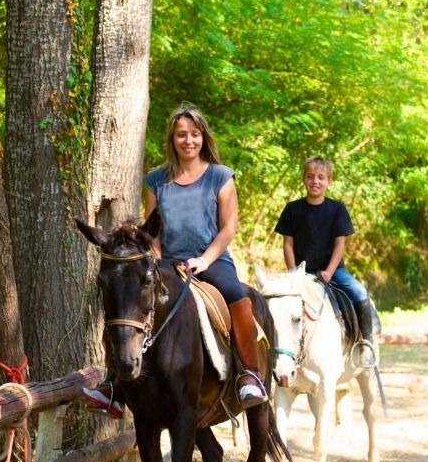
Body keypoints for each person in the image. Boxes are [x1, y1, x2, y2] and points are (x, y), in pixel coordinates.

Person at [82, 104, 269, 416]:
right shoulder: (156, 180)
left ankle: (249, 374)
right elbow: (152, 230)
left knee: (236, 295)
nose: (188, 140)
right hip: (167, 261)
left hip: (212, 260)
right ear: (173, 139)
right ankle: (112, 383)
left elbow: (228, 228)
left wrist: (205, 260)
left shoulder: (220, 177)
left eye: (194, 134)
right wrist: (155, 260)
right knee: (125, 302)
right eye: (182, 134)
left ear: (203, 137)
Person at [275, 155, 380, 367]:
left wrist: (330, 271)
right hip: (301, 272)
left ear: (329, 182)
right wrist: (294, 273)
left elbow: (339, 245)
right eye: (310, 177)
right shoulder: (293, 209)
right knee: (279, 302)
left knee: (359, 293)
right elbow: (288, 244)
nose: (315, 181)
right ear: (303, 180)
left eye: (321, 177)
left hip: (332, 271)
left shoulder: (337, 209)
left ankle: (365, 342)